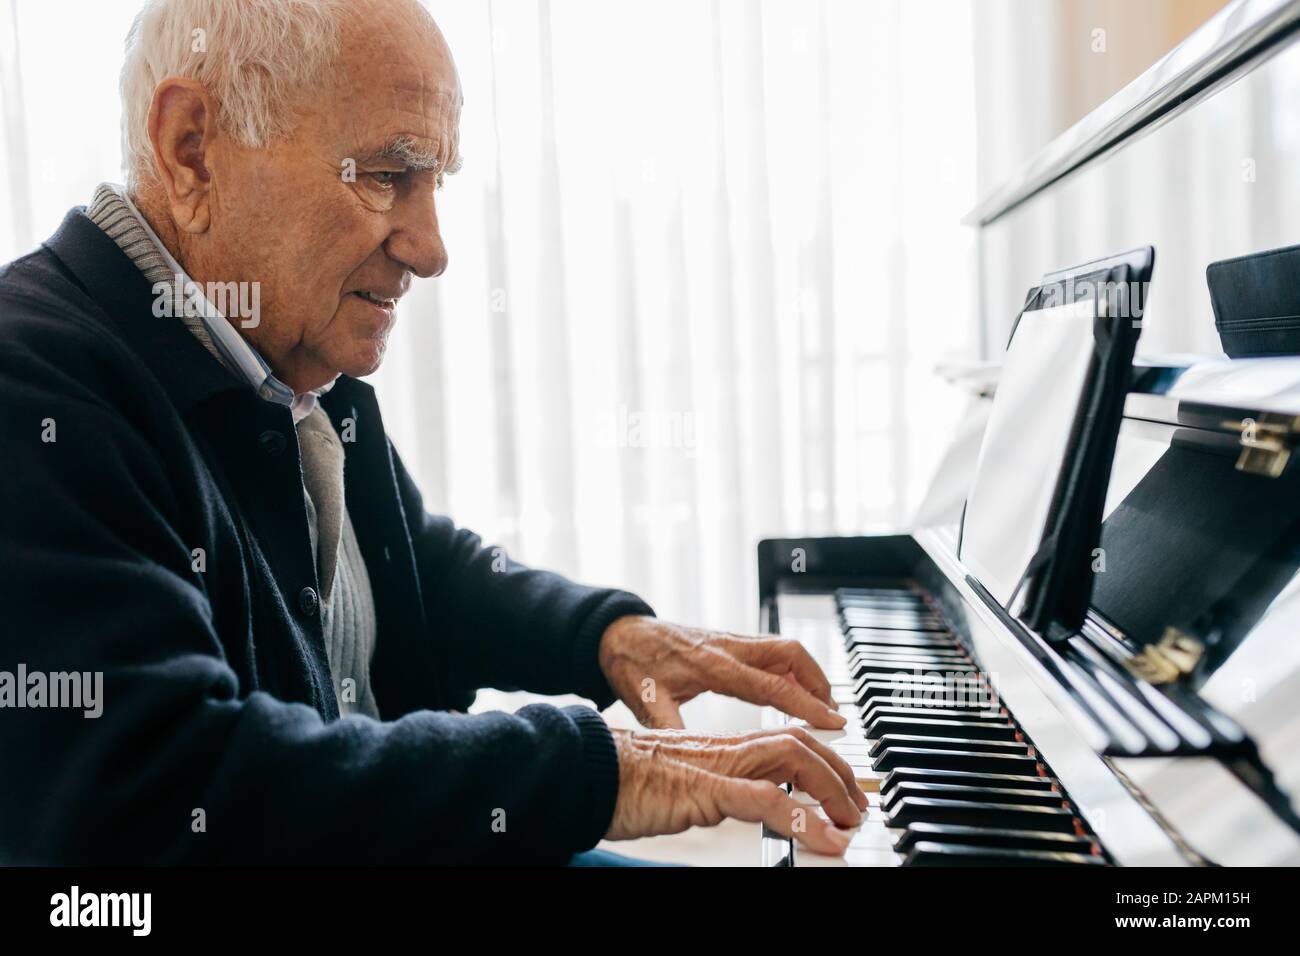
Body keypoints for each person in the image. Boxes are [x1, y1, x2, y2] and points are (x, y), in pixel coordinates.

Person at [0, 0, 863, 865]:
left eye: (435, 180)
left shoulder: (283, 354)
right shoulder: (32, 388)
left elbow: (403, 567)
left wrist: (601, 636)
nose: (432, 248)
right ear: (192, 148)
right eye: (386, 175)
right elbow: (158, 794)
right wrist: (596, 770)